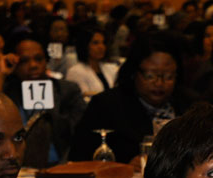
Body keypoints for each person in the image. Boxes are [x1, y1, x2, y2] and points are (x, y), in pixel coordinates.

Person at [70, 32, 187, 165]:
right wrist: (124, 165)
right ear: (134, 72)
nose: (159, 83)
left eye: (168, 76)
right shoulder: (106, 106)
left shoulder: (188, 105)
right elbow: (78, 157)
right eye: (150, 76)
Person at [3, 36, 86, 167]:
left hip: (62, 166)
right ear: (15, 65)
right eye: (24, 61)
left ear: (46, 61)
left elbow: (81, 134)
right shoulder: (8, 93)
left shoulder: (67, 91)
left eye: (38, 59)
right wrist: (1, 73)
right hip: (17, 168)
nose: (33, 66)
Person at [64, 28, 120, 99]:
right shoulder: (75, 71)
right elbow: (83, 96)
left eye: (103, 43)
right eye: (95, 43)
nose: (101, 47)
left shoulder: (109, 68)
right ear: (85, 45)